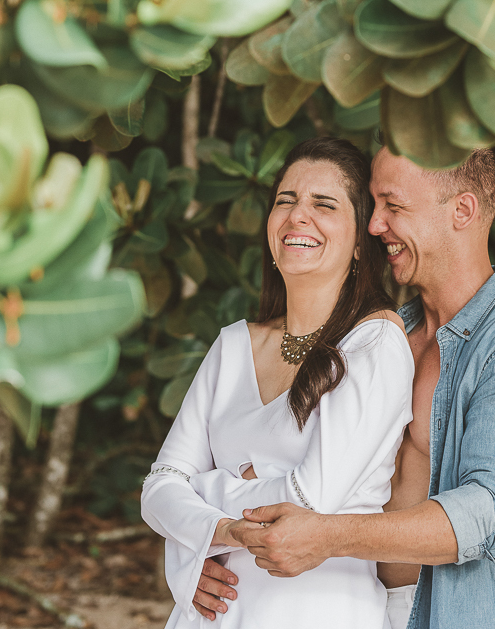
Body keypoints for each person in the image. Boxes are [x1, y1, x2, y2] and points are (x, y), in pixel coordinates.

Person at [192, 145, 495, 629]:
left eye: (393, 207)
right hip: (359, 607)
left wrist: (327, 537)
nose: (374, 226)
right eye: (373, 206)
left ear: (462, 210)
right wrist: (212, 550)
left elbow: (490, 514)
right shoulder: (379, 337)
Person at [141, 137, 414, 628]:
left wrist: (201, 499)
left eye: (323, 205)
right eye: (285, 201)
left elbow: (309, 500)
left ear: (359, 242)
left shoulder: (374, 345)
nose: (297, 216)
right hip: (213, 615)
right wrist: (221, 525)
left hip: (315, 612)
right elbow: (157, 487)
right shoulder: (232, 345)